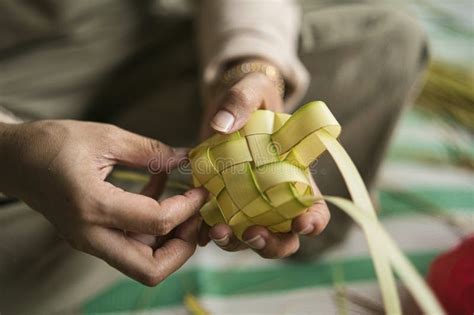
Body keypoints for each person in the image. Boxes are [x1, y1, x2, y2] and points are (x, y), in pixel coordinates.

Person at [0, 0, 428, 313]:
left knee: (388, 38)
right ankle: (92, 206)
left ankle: (150, 204)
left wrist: (250, 65)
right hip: (13, 88)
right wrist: (11, 152)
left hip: (152, 42)